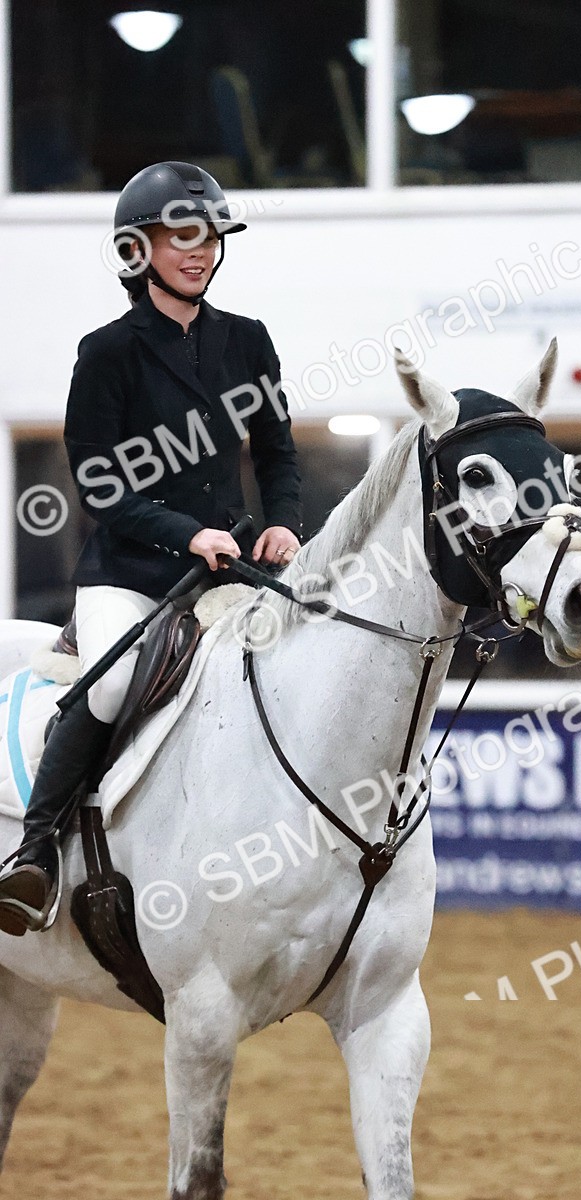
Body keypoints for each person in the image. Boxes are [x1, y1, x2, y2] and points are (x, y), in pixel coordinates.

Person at [0, 161, 302, 936]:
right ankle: (32, 856)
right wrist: (184, 532)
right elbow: (99, 486)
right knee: (107, 689)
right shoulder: (107, 352)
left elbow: (274, 450)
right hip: (130, 571)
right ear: (140, 251)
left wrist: (284, 520)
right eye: (179, 237)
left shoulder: (248, 341)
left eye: (206, 236)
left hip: (227, 570)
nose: (198, 251)